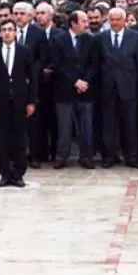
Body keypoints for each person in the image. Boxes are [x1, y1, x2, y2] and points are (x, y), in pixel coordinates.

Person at [0, 19, 38, 187]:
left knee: (19, 139)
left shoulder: (25, 52)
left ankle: (18, 174)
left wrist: (31, 101)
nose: (7, 33)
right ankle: (4, 173)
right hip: (0, 102)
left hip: (19, 101)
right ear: (0, 33)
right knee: (1, 139)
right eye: (4, 30)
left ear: (15, 32)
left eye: (10, 29)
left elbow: (33, 78)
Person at [94, 8, 138, 169]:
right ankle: (109, 157)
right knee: (108, 125)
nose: (115, 22)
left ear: (124, 20)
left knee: (130, 124)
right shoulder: (100, 38)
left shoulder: (136, 38)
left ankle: (131, 157)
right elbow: (96, 65)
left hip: (129, 88)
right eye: (112, 19)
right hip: (107, 88)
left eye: (118, 19)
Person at [48, 10, 96, 168]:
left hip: (85, 91)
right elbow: (57, 65)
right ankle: (62, 156)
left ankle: (86, 156)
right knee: (65, 127)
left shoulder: (90, 40)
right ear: (73, 23)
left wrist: (85, 81)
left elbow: (94, 64)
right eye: (83, 21)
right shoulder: (58, 40)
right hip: (64, 90)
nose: (87, 24)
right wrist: (74, 81)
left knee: (86, 127)